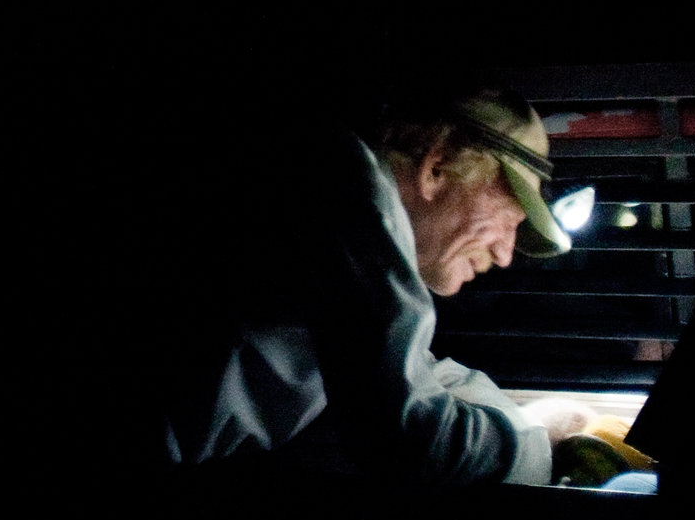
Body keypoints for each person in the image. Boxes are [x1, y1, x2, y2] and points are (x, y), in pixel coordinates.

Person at [158, 85, 584, 486]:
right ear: (437, 166)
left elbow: (404, 365)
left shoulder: (349, 203)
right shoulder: (348, 189)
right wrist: (536, 446)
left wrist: (519, 419)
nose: (507, 254)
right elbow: (409, 437)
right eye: (509, 220)